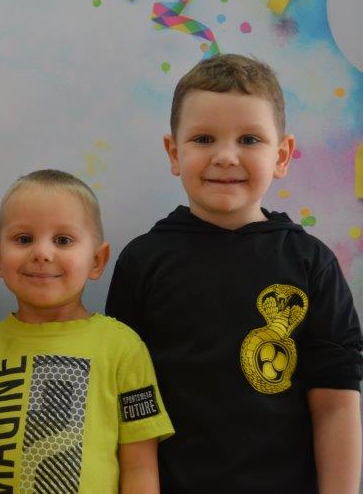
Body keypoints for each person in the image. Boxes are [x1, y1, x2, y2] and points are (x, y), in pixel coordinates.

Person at [106, 53, 363, 494]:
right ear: (174, 152)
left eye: (249, 139)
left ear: (282, 155)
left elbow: (336, 405)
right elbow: (127, 405)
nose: (226, 157)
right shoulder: (142, 262)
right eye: (204, 138)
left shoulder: (311, 263)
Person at [0, 169, 174, 494]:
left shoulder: (122, 347)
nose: (42, 253)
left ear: (97, 260)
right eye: (24, 239)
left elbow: (140, 468)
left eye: (63, 240)